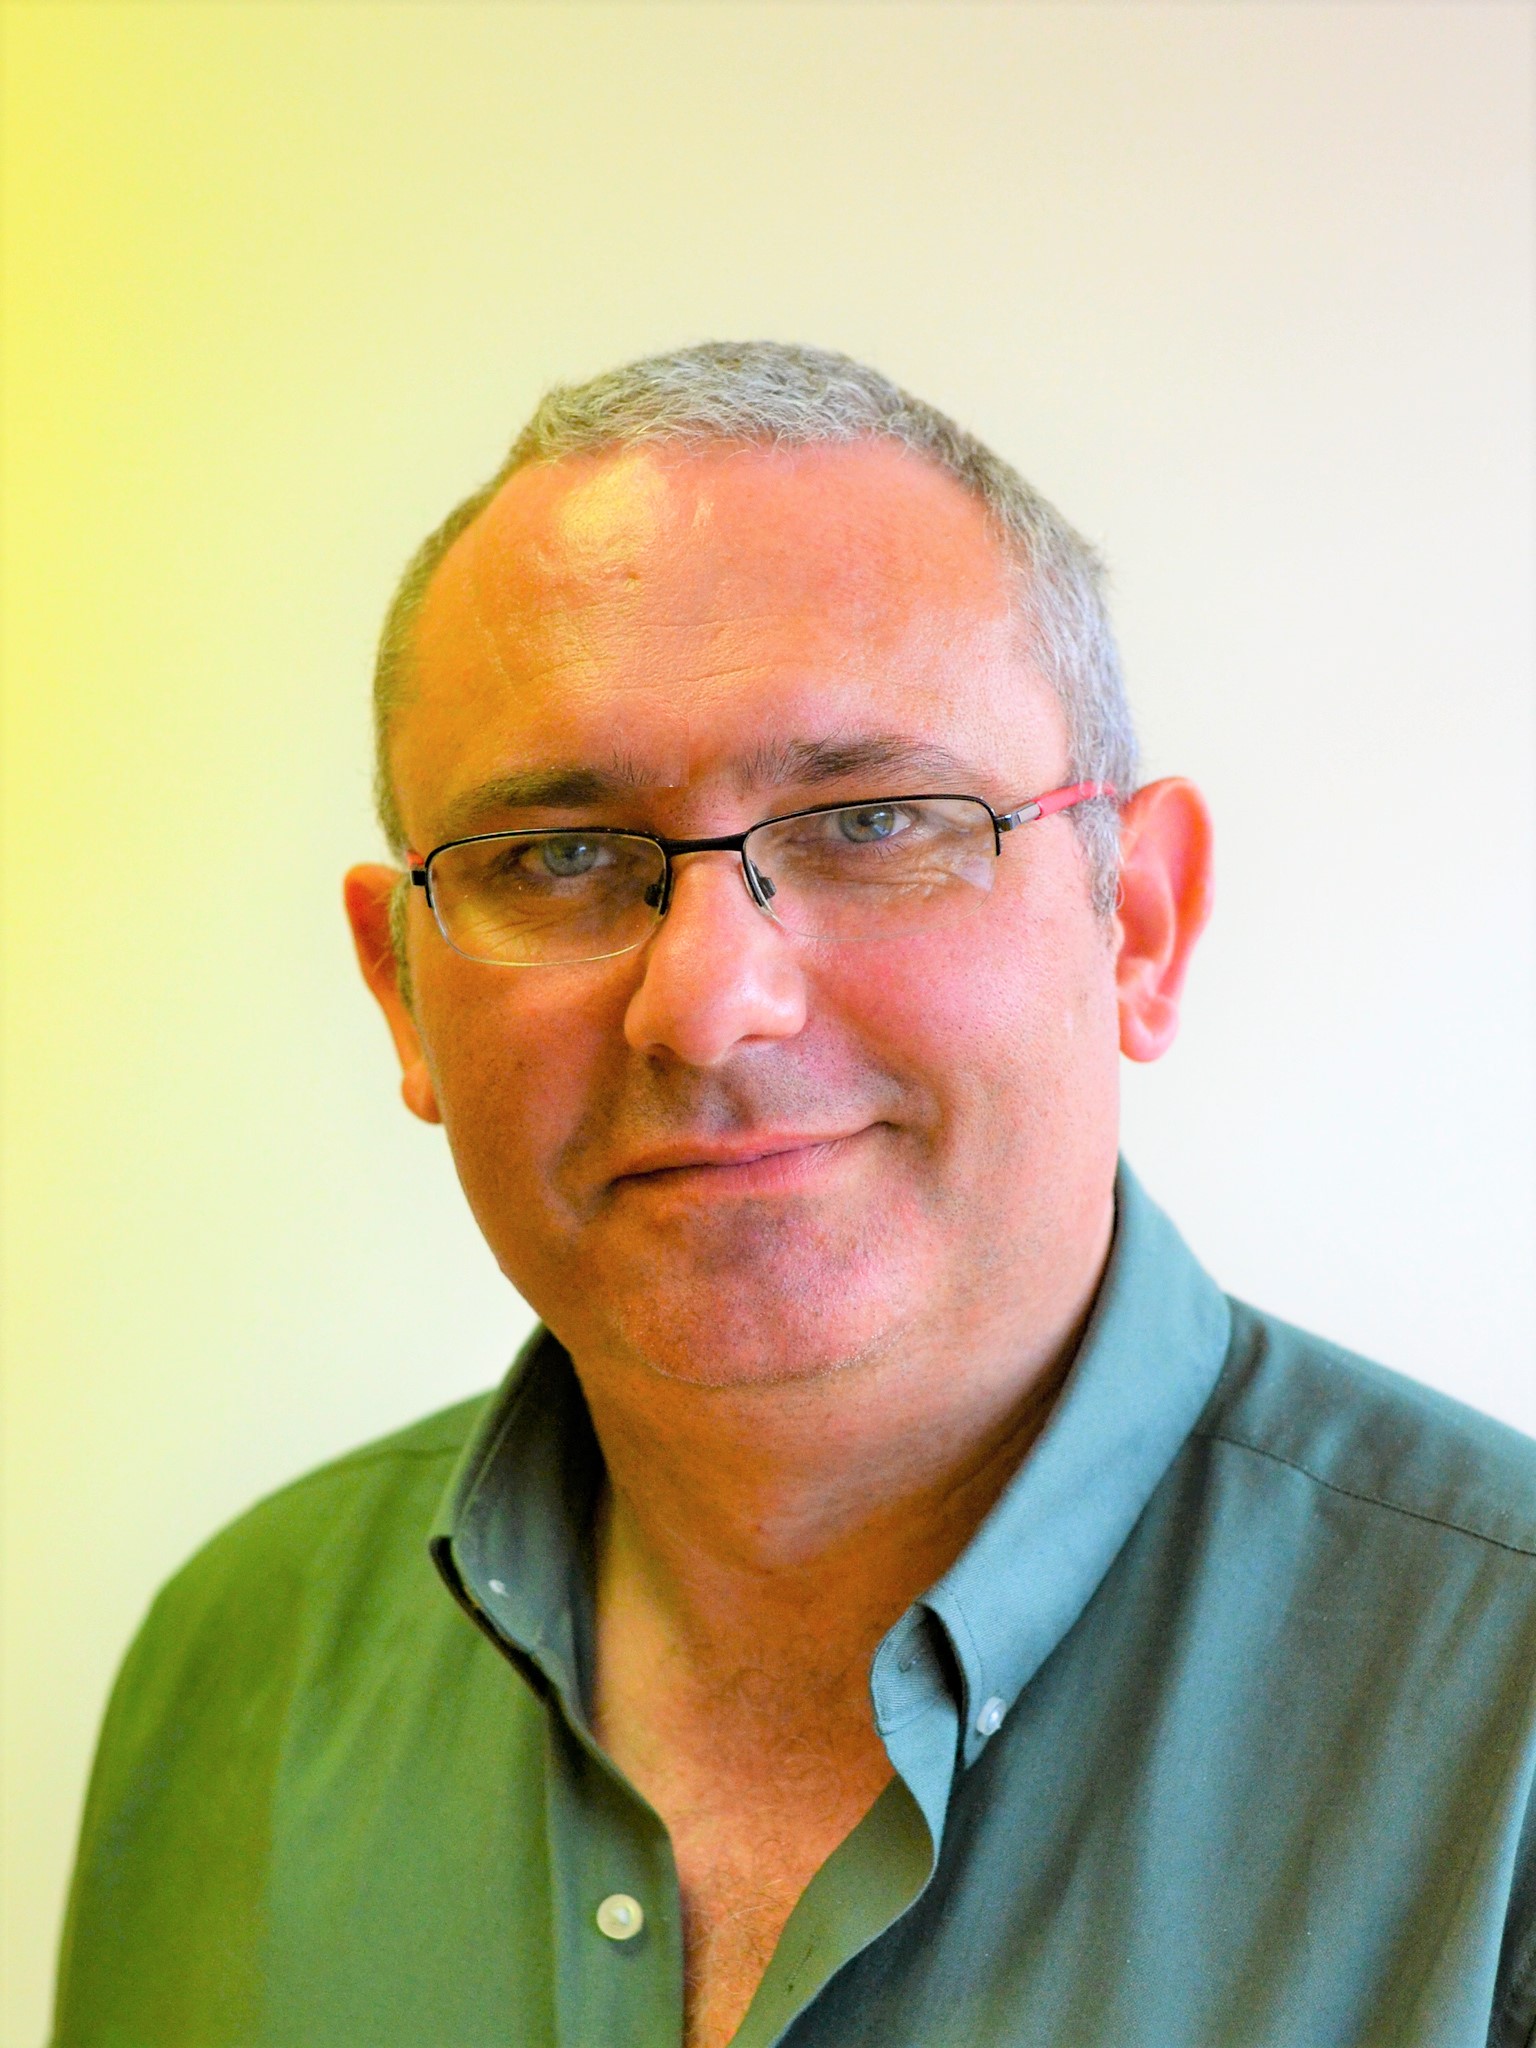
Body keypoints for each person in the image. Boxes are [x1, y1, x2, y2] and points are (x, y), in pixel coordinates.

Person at [52, 342, 1536, 2048]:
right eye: (558, 858)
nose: (708, 1001)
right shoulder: (233, 1663)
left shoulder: (1505, 1719)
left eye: (873, 821)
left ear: (1137, 923)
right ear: (402, 995)